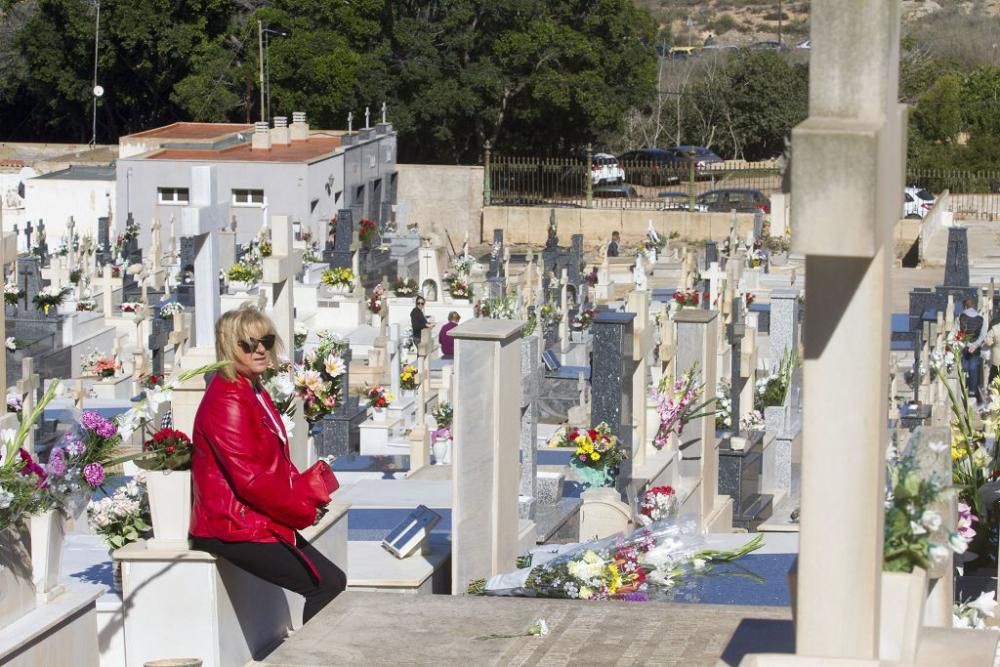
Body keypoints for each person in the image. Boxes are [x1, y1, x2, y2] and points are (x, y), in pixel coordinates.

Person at [190, 306, 345, 623]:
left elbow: (269, 463)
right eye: (248, 344)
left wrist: (304, 498)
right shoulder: (229, 399)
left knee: (331, 581)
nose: (260, 349)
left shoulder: (250, 388)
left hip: (250, 519)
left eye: (266, 340)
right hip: (232, 525)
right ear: (230, 347)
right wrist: (300, 511)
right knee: (326, 585)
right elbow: (250, 480)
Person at [956, 297, 987, 403]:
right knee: (973, 368)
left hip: (964, 347)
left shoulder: (961, 317)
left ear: (965, 306)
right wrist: (975, 345)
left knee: (964, 367)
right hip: (975, 348)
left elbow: (959, 332)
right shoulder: (981, 318)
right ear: (974, 306)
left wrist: (967, 344)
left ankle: (962, 388)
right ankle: (972, 391)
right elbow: (983, 335)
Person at [985, 316, 1000, 387]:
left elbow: (988, 341)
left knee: (994, 377)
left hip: (996, 358)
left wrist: (992, 343)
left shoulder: (995, 328)